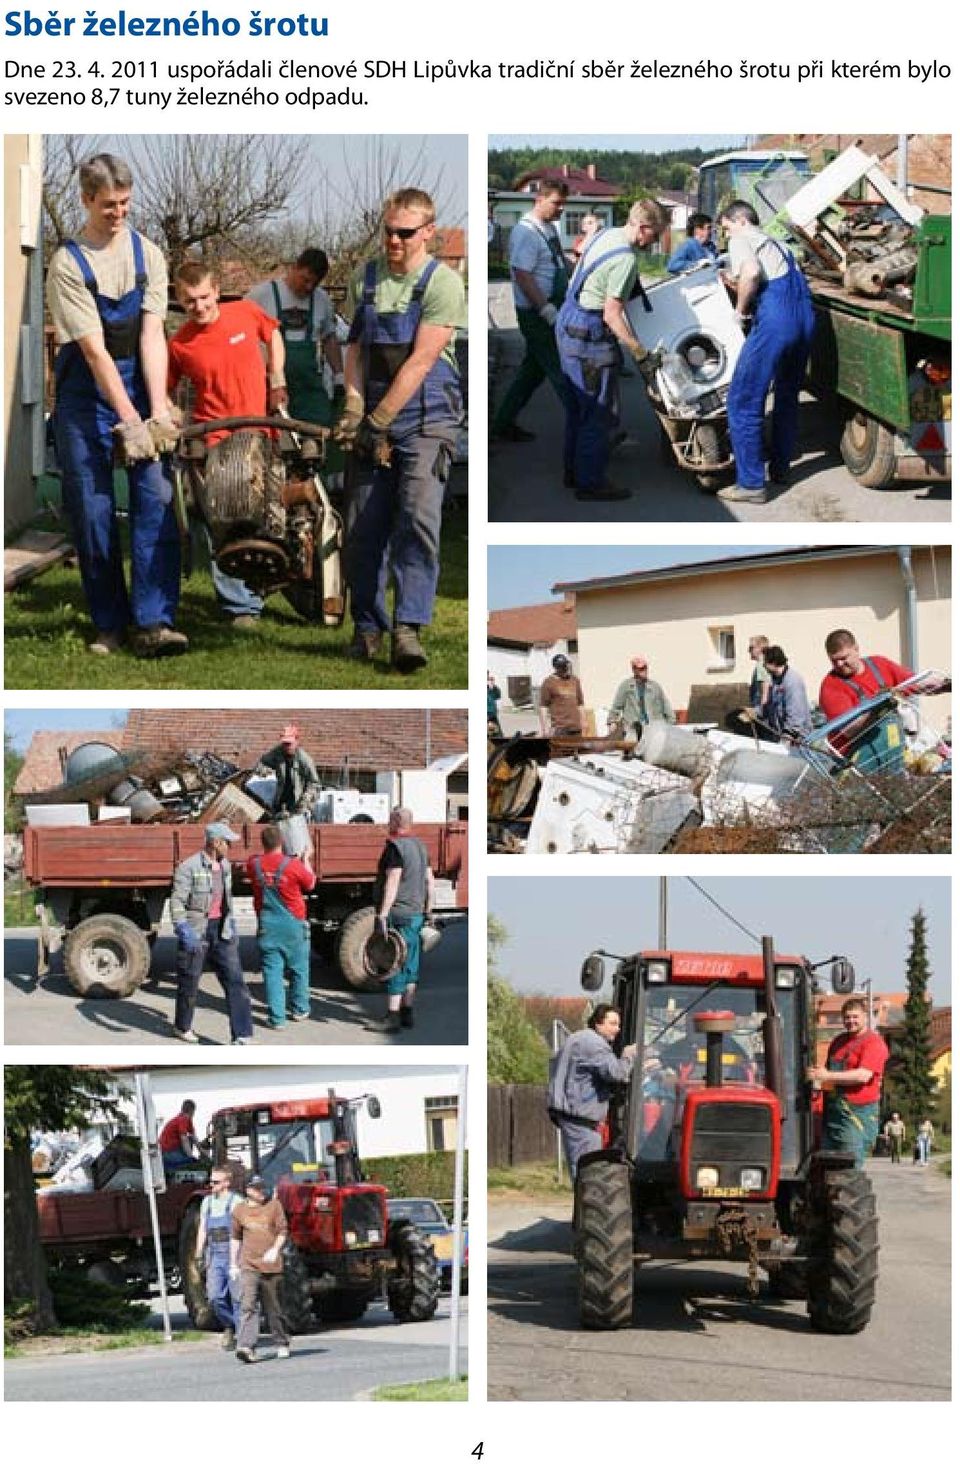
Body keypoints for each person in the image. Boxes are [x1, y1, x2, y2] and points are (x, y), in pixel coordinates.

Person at [47, 152, 185, 658]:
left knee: (155, 498)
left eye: (125, 202)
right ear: (86, 200)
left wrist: (156, 410)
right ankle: (109, 623)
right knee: (93, 509)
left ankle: (154, 622)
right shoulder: (67, 264)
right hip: (87, 395)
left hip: (137, 379)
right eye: (109, 204)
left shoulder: (148, 255)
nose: (119, 212)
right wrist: (129, 421)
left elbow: (152, 336)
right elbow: (94, 351)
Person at [335, 187, 466, 673]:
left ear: (428, 232)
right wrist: (352, 405)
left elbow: (422, 359)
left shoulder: (443, 283)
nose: (393, 240)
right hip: (372, 411)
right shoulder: (363, 278)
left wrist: (379, 422)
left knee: (417, 520)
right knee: (363, 527)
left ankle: (408, 628)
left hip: (426, 416)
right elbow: (355, 351)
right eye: (388, 230)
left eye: (404, 233)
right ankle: (368, 626)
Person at [167, 261, 287, 628]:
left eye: (204, 297)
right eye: (190, 301)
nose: (199, 306)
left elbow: (274, 335)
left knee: (268, 513)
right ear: (179, 300)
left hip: (261, 429)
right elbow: (167, 390)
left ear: (216, 290)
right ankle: (240, 607)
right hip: (215, 437)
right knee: (223, 520)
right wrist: (172, 418)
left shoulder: (246, 313)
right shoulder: (181, 343)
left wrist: (277, 378)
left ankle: (275, 580)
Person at [555, 200, 667, 502]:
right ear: (643, 228)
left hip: (568, 321)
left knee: (578, 408)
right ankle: (591, 483)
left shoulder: (605, 235)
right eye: (654, 236)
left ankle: (573, 472)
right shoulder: (626, 260)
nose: (653, 242)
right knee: (597, 412)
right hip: (589, 333)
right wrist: (639, 352)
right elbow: (612, 315)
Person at [716, 200, 816, 505]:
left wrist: (740, 309)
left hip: (777, 322)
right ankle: (781, 469)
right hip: (805, 320)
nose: (726, 234)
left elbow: (752, 271)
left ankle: (750, 484)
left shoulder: (741, 238)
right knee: (787, 395)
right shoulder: (780, 244)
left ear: (740, 221)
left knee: (743, 400)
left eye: (726, 227)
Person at [491, 181, 571, 442]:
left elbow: (558, 262)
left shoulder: (547, 228)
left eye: (563, 203)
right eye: (556, 203)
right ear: (540, 199)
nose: (561, 208)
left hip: (552, 307)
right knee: (562, 371)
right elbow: (522, 275)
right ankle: (588, 429)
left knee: (532, 372)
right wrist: (546, 309)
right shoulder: (526, 232)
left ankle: (501, 424)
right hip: (537, 315)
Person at [817, 629, 949, 771]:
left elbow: (915, 684)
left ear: (856, 649)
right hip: (853, 761)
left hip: (891, 750)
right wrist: (875, 711)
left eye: (843, 658)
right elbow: (848, 730)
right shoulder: (831, 686)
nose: (839, 664)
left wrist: (944, 686)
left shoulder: (879, 665)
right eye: (834, 660)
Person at [170, 821, 254, 1045]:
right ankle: (182, 1026)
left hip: (221, 930)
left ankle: (242, 1034)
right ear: (215, 842)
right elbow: (177, 902)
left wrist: (231, 921)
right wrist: (183, 929)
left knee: (235, 981)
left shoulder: (225, 866)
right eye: (227, 842)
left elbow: (226, 899)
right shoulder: (188, 867)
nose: (230, 846)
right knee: (189, 982)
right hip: (197, 930)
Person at [247, 248, 343, 427]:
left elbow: (329, 338)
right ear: (295, 267)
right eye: (305, 280)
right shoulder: (261, 295)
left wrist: (339, 375)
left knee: (321, 429)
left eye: (314, 284)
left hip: (308, 386)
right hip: (268, 384)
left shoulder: (322, 300)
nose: (308, 287)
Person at [547, 1004, 636, 1179]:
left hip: (573, 1115)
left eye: (618, 1025)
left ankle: (584, 1202)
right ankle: (585, 1204)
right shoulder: (594, 1045)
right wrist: (628, 1055)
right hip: (581, 1119)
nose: (617, 1029)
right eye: (612, 1023)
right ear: (598, 1023)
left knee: (583, 1169)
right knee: (588, 1174)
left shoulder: (578, 1038)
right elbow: (617, 1073)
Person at [247, 825, 316, 1029]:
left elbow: (250, 865)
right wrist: (306, 859)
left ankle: (277, 1019)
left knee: (272, 971)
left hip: (267, 924)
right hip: (293, 923)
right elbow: (311, 883)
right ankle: (300, 1009)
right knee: (299, 969)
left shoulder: (254, 864)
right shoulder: (293, 865)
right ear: (282, 842)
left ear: (263, 843)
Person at [806, 997, 889, 1168]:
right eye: (847, 1017)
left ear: (865, 1017)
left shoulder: (874, 1043)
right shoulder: (838, 1042)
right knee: (826, 1163)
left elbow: (863, 1076)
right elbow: (828, 1075)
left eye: (855, 1017)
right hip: (833, 1111)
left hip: (856, 1114)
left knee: (849, 1165)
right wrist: (815, 1077)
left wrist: (827, 1076)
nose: (851, 1021)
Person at [374, 807, 435, 1033]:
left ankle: (392, 1017)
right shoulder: (421, 846)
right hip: (417, 914)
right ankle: (408, 1013)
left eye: (390, 820)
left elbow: (392, 881)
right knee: (411, 965)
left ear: (394, 822)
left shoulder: (395, 847)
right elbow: (430, 881)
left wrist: (383, 913)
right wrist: (429, 910)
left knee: (394, 963)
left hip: (399, 914)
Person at [230, 1174, 290, 1363]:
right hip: (249, 1264)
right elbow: (235, 1238)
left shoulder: (274, 1206)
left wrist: (275, 1249)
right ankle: (246, 1346)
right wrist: (233, 1263)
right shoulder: (239, 1210)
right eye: (257, 1188)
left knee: (274, 1308)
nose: (261, 1191)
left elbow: (282, 1231)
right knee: (248, 1305)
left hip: (271, 1265)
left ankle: (281, 1341)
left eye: (263, 1187)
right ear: (248, 1190)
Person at [196, 1166, 242, 1348]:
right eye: (210, 1181)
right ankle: (230, 1324)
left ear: (226, 1183)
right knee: (215, 1297)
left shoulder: (237, 1202)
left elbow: (241, 1231)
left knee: (237, 1297)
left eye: (215, 1181)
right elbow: (202, 1229)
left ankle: (241, 1336)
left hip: (234, 1254)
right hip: (215, 1255)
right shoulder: (206, 1202)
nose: (211, 1184)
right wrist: (199, 1252)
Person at [253, 724, 322, 817]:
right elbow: (261, 764)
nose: (286, 746)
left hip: (298, 803)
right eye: (284, 743)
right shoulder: (277, 752)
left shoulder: (305, 760)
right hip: (280, 800)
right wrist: (265, 770)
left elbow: (315, 784)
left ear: (297, 741)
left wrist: (306, 800)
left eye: (289, 743)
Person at [608, 656, 675, 735]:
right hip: (633, 727)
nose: (643, 670)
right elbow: (617, 706)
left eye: (645, 668)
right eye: (640, 668)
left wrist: (671, 723)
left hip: (653, 728)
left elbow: (665, 705)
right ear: (634, 670)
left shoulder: (655, 686)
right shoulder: (626, 685)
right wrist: (612, 722)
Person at [762, 645, 813, 741]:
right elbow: (772, 707)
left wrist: (787, 738)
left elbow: (796, 716)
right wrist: (755, 712)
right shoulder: (776, 681)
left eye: (765, 663)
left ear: (774, 663)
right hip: (783, 733)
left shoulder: (792, 681)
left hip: (798, 739)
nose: (763, 666)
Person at [538, 654, 584, 736]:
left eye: (565, 666)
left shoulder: (575, 680)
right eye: (561, 667)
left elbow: (580, 703)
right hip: (560, 729)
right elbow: (543, 706)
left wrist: (584, 721)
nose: (564, 669)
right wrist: (544, 728)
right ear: (555, 668)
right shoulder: (548, 682)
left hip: (576, 728)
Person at [159, 1099, 200, 1173]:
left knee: (190, 1139)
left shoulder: (186, 1120)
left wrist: (201, 1151)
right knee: (191, 1163)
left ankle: (186, 1158)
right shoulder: (183, 1119)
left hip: (173, 1150)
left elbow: (194, 1137)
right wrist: (190, 1157)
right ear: (192, 1111)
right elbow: (184, 1139)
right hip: (168, 1153)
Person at [748, 634, 771, 713]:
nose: (748, 650)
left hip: (761, 710)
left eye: (751, 648)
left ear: (760, 648)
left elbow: (765, 692)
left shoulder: (761, 665)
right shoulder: (764, 663)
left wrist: (762, 712)